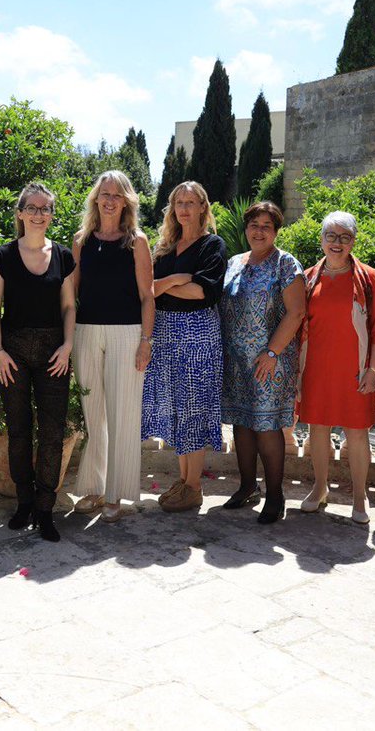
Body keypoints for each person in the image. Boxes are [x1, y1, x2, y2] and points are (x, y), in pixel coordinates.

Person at [0, 183, 76, 542]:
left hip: (55, 353)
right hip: (14, 353)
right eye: (33, 208)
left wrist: (68, 345)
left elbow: (69, 306)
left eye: (46, 208)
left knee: (53, 433)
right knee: (19, 430)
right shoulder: (3, 256)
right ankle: (24, 503)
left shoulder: (64, 257)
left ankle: (45, 508)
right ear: (21, 213)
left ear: (51, 215)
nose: (40, 214)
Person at [71, 171, 155, 523]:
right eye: (104, 194)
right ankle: (94, 487)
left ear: (126, 202)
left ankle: (116, 493)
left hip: (127, 333)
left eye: (116, 195)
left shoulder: (136, 241)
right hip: (86, 332)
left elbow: (147, 296)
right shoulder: (81, 240)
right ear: (95, 199)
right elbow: (71, 295)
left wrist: (145, 341)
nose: (109, 200)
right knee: (94, 414)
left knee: (122, 414)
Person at [296, 211, 375, 525]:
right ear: (321, 240)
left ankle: (360, 495)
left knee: (358, 434)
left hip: (356, 370)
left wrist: (373, 372)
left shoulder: (369, 278)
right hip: (316, 369)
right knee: (317, 431)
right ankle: (320, 488)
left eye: (344, 237)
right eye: (331, 236)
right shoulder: (308, 277)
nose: (337, 242)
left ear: (353, 241)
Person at [143, 182, 227, 512]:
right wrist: (178, 279)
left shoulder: (212, 245)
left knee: (193, 409)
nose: (184, 208)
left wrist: (165, 286)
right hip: (164, 334)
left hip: (197, 335)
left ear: (203, 208)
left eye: (191, 202)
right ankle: (183, 481)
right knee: (176, 410)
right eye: (179, 202)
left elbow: (203, 293)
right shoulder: (164, 247)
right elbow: (148, 288)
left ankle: (193, 486)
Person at [219, 201, 306, 523]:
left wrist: (271, 353)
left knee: (267, 427)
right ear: (246, 229)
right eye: (254, 225)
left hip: (270, 360)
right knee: (241, 424)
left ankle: (275, 495)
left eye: (266, 226)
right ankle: (246, 487)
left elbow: (297, 313)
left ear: (276, 231)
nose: (259, 231)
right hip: (236, 360)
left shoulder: (286, 264)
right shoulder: (234, 263)